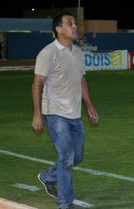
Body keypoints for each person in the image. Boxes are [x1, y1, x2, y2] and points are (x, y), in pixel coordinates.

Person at [31, 13, 99, 209]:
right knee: (67, 157)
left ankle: (47, 176)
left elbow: (82, 81)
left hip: (75, 115)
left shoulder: (77, 52)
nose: (75, 26)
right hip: (54, 113)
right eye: (70, 23)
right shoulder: (48, 53)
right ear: (58, 29)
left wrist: (90, 106)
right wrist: (37, 113)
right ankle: (65, 203)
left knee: (77, 157)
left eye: (75, 24)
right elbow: (37, 84)